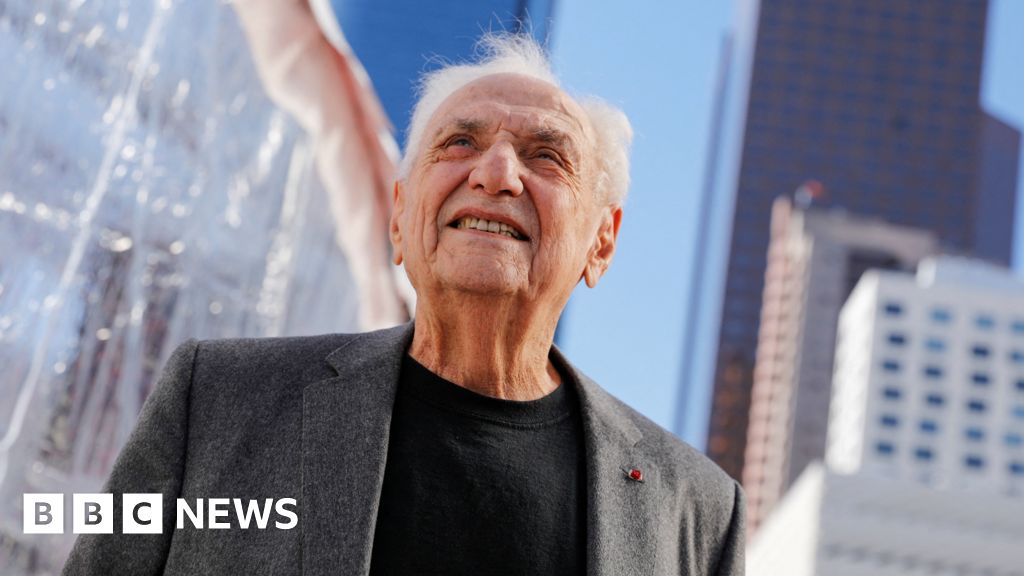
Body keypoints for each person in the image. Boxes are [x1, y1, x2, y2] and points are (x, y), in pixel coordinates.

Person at [63, 33, 744, 576]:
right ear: (398, 217)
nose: (495, 174)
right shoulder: (215, 399)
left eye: (545, 156)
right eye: (459, 143)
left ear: (602, 242)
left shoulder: (698, 515)